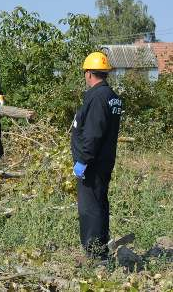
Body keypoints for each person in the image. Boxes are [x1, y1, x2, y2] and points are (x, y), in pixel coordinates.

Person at [71, 51, 122, 260]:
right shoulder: (111, 96)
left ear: (89, 73)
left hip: (92, 162)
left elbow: (93, 133)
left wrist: (83, 160)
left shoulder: (97, 97)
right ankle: (101, 248)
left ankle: (94, 253)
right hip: (104, 160)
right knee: (99, 202)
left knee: (90, 206)